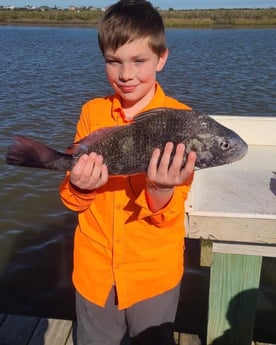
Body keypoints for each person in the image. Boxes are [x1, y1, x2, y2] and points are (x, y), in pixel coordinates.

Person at [59, 1, 196, 344]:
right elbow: (72, 201)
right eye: (113, 61)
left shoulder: (182, 121)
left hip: (153, 276)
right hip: (95, 274)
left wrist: (161, 189)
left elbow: (170, 213)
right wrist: (80, 185)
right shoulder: (92, 112)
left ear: (162, 58)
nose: (126, 74)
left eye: (139, 61)